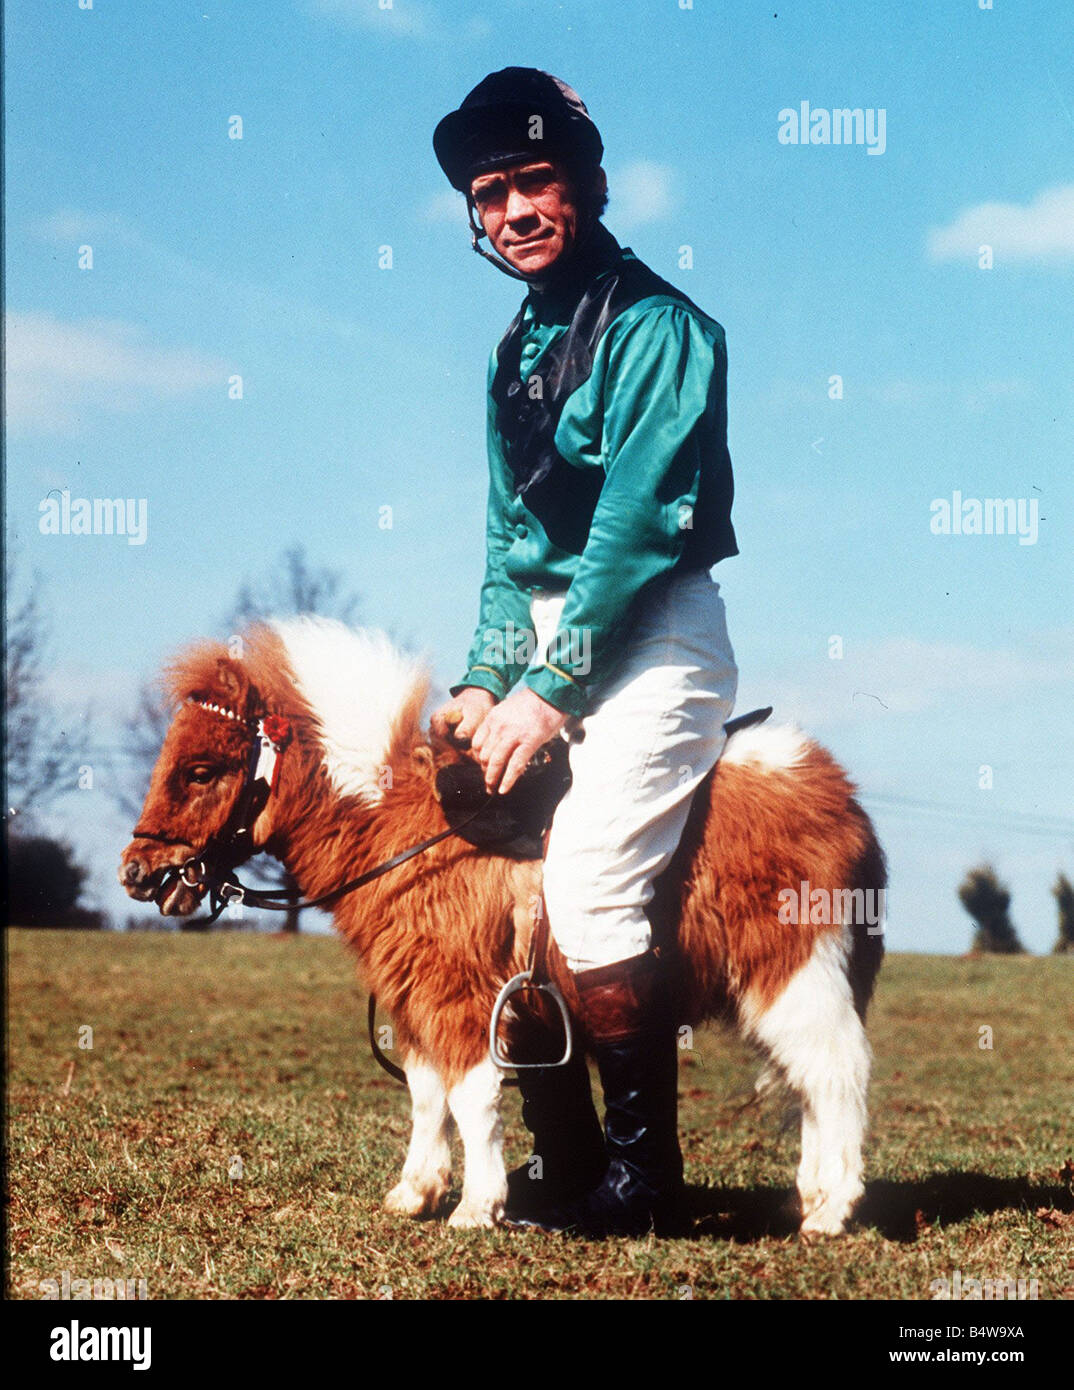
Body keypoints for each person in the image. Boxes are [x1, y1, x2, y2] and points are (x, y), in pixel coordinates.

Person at [430, 68, 739, 1236]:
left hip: (654, 630)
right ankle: (562, 1158)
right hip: (554, 645)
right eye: (490, 190)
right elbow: (513, 543)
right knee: (504, 884)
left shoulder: (661, 328)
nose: (512, 209)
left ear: (590, 186)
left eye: (535, 180)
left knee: (596, 876)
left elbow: (638, 528)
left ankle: (646, 1183)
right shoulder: (512, 354)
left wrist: (549, 690)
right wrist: (482, 678)